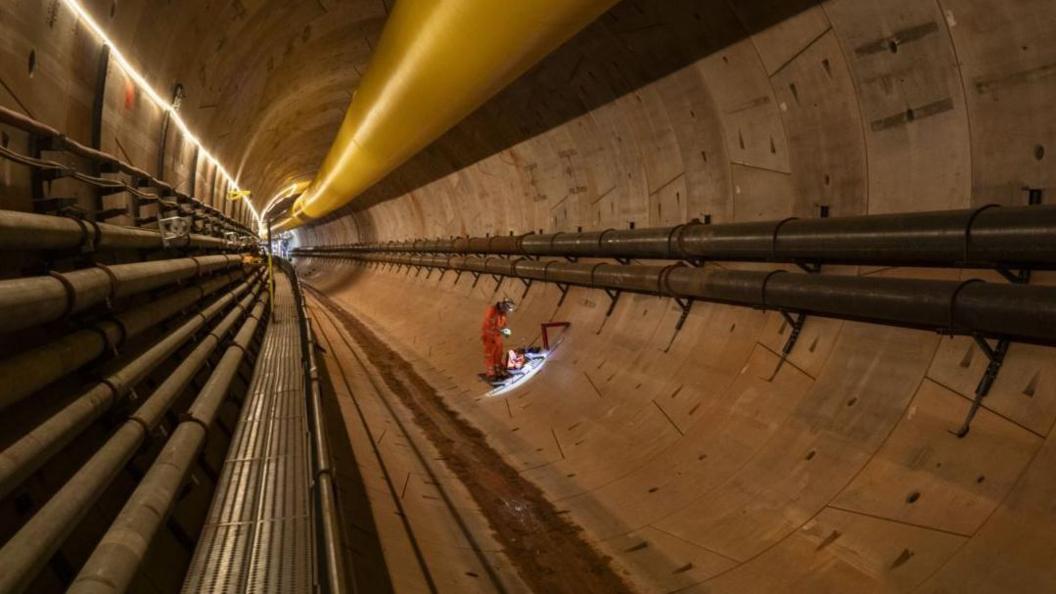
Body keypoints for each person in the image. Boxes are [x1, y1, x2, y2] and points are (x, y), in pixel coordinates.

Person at [481, 298, 515, 380]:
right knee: (490, 353)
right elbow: (490, 325)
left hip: (497, 335)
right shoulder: (492, 312)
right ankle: (491, 371)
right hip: (489, 335)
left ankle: (498, 367)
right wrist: (502, 331)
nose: (506, 311)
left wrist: (506, 330)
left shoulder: (502, 313)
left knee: (499, 352)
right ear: (503, 306)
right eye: (506, 309)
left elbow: (503, 324)